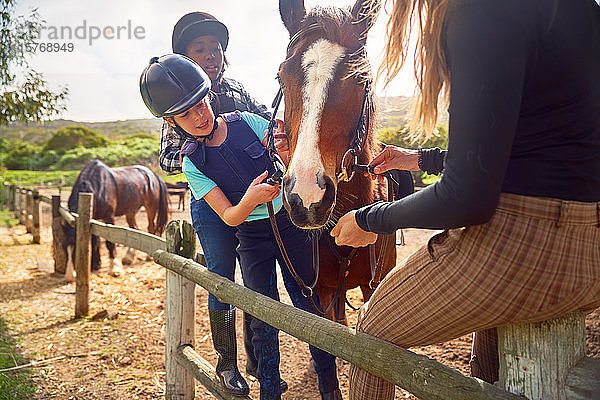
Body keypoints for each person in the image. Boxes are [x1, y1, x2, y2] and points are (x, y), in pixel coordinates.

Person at [329, 0, 600, 398]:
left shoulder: (482, 10)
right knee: (488, 356)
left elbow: (467, 198)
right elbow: (530, 145)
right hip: (590, 250)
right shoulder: (581, 9)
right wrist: (419, 158)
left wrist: (368, 219)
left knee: (371, 332)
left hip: (524, 250)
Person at [140, 54, 341, 400]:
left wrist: (283, 150)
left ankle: (330, 387)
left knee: (309, 305)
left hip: (289, 227)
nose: (199, 115)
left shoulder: (246, 121)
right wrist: (250, 199)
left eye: (200, 104)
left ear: (209, 98)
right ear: (172, 123)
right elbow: (231, 216)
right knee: (262, 317)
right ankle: (269, 391)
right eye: (186, 114)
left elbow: (286, 152)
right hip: (250, 237)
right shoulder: (192, 163)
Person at [158, 12, 277, 395]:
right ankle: (227, 363)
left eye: (217, 48)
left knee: (256, 283)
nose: (212, 55)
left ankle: (259, 363)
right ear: (186, 59)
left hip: (255, 200)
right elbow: (165, 159)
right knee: (222, 279)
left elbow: (269, 124)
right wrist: (201, 150)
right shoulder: (179, 100)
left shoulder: (239, 91)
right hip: (213, 206)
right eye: (201, 50)